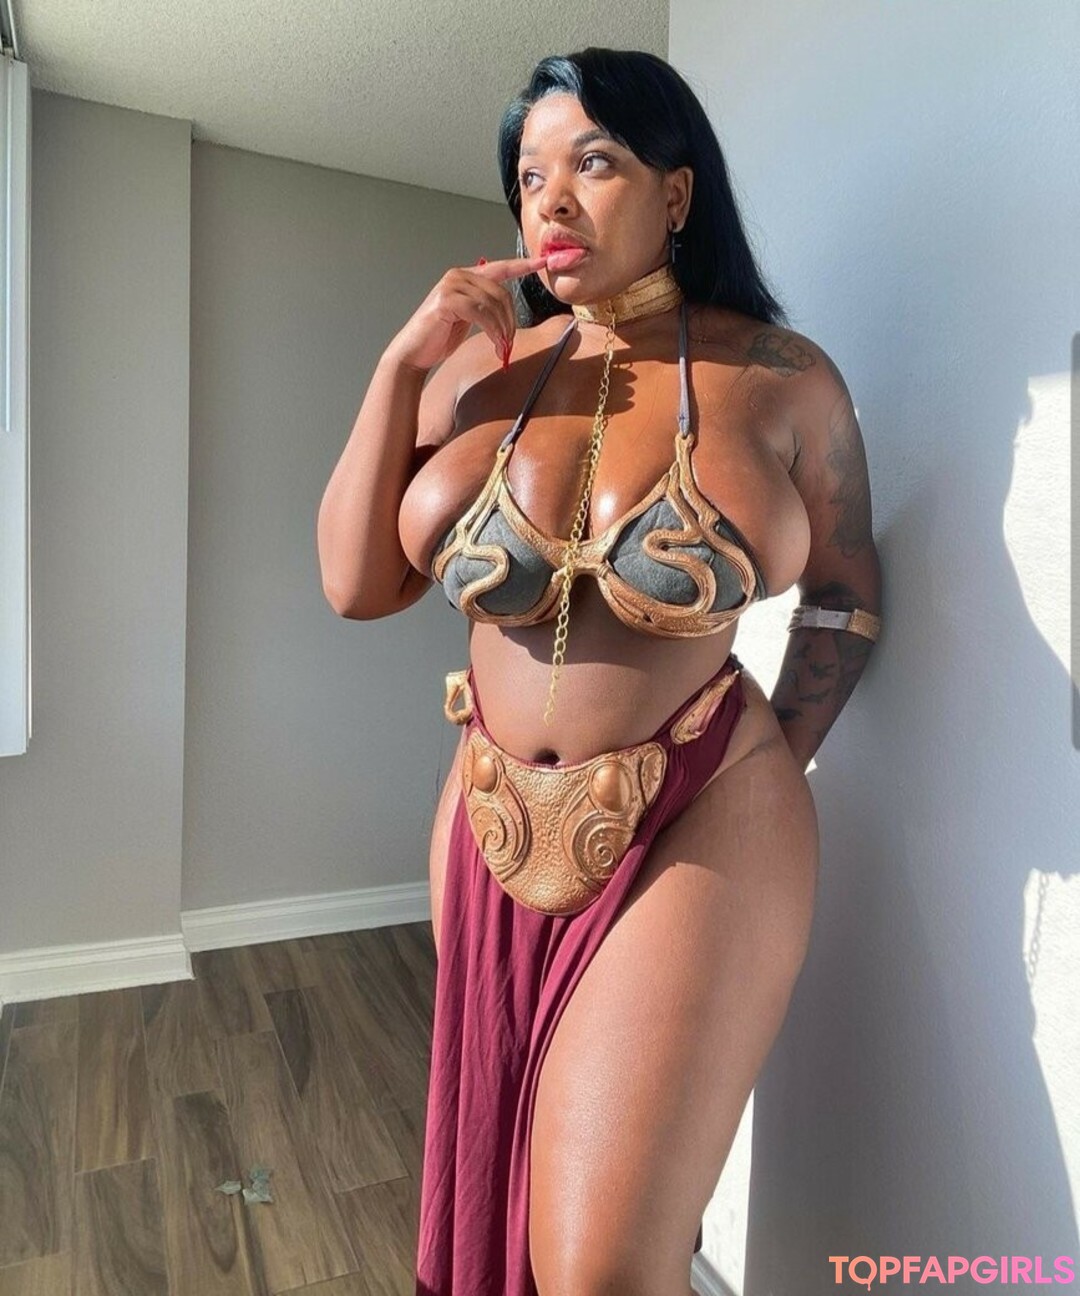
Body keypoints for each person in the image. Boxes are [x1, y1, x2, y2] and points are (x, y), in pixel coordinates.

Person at [317, 46, 882, 1296]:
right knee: (502, 1188)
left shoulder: (782, 379)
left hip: (701, 815)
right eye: (529, 177)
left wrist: (744, 766)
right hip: (486, 816)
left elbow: (846, 601)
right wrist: (401, 365)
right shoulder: (477, 376)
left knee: (602, 1265)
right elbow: (356, 586)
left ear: (675, 192)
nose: (552, 200)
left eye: (593, 162)